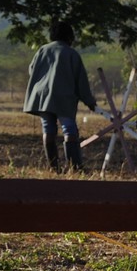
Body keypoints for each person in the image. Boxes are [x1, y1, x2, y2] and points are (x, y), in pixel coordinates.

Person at [23, 21, 97, 174]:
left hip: (42, 97)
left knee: (48, 129)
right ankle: (75, 167)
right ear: (70, 36)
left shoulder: (42, 50)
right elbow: (81, 81)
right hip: (63, 97)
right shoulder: (71, 54)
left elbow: (32, 70)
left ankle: (53, 168)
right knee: (69, 130)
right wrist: (89, 102)